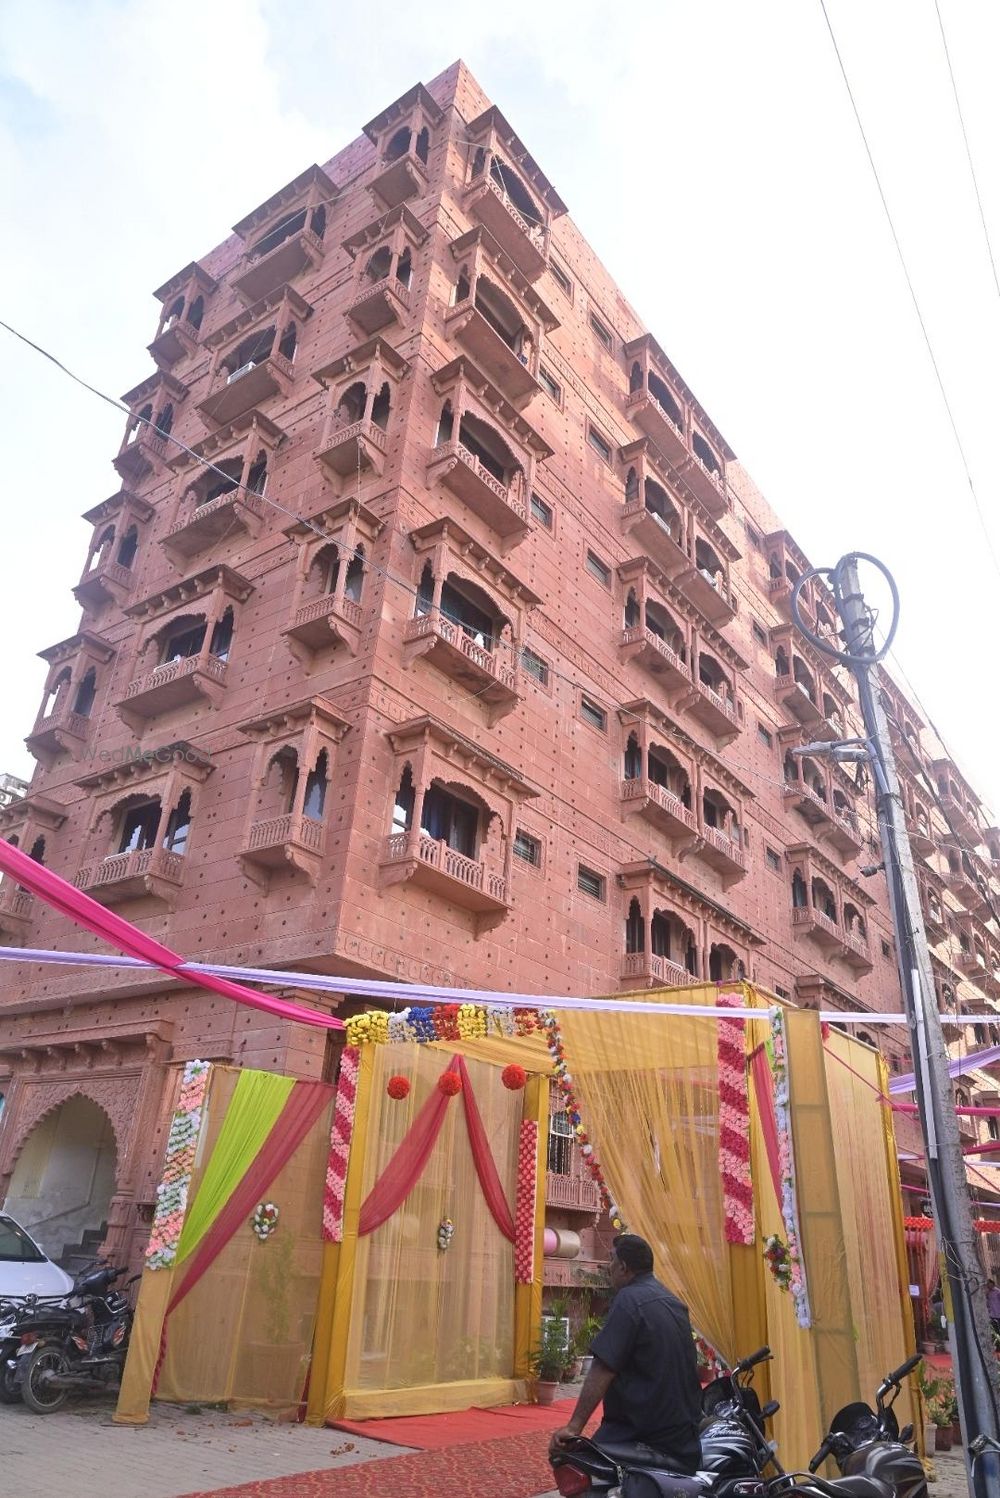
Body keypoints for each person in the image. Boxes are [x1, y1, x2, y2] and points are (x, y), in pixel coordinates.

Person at [548, 1233, 702, 1475]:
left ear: (623, 1267)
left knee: (568, 1457)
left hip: (640, 1431)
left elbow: (603, 1367)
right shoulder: (672, 1301)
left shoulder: (629, 1300)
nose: (608, 1267)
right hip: (682, 1433)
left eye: (611, 1261)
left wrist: (574, 1426)